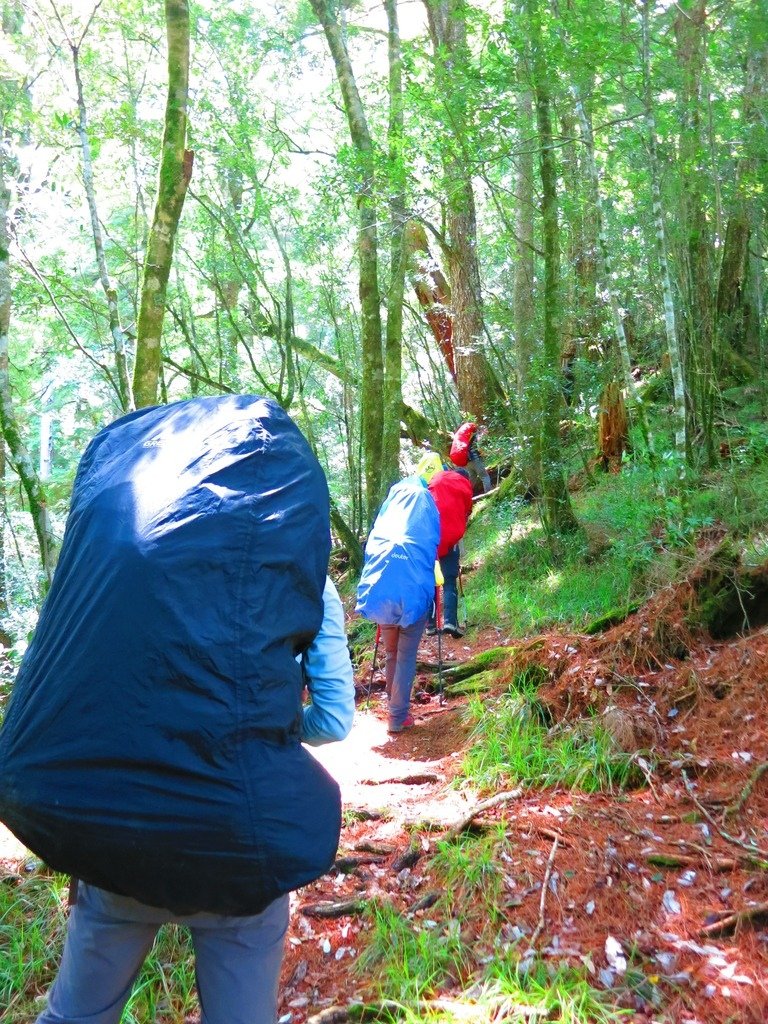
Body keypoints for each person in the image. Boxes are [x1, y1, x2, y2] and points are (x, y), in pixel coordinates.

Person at [0, 395, 355, 1024]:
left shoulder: (115, 572)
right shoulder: (301, 579)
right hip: (235, 844)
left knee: (74, 1015)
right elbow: (332, 719)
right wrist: (249, 731)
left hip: (113, 837)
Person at [356, 464, 440, 734]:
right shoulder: (425, 503)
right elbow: (432, 546)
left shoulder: (389, 510)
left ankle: (395, 710)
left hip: (380, 593)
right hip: (412, 596)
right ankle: (397, 715)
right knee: (405, 656)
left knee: (392, 653)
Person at [426, 468, 474, 639]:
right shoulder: (464, 485)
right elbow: (467, 510)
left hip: (430, 536)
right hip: (451, 538)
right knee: (449, 580)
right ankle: (450, 622)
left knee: (431, 579)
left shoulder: (438, 478)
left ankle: (430, 626)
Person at [449, 421, 492, 494]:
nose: (487, 432)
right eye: (486, 430)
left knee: (472, 479)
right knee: (485, 477)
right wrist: (485, 453)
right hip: (475, 459)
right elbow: (479, 448)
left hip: (467, 461)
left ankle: (467, 495)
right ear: (482, 430)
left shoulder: (469, 438)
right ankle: (489, 495)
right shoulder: (478, 436)